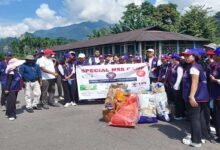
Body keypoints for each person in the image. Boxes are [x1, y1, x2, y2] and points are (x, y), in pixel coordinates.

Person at [182, 49, 211, 147]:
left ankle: (196, 141)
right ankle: (201, 137)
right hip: (201, 96)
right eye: (185, 56)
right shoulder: (196, 66)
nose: (186, 57)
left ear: (195, 56)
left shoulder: (194, 67)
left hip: (196, 97)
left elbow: (194, 83)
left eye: (188, 56)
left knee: (194, 119)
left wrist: (191, 96)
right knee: (200, 118)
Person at [170, 53, 185, 120]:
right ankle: (177, 113)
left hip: (177, 87)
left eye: (172, 59)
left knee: (178, 101)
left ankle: (180, 115)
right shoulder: (174, 66)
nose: (171, 60)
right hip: (173, 85)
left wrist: (177, 85)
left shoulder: (179, 67)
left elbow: (179, 77)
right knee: (176, 101)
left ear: (175, 59)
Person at [209, 47, 220, 143]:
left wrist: (215, 80)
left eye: (215, 55)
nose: (214, 56)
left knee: (218, 116)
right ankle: (218, 134)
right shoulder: (216, 65)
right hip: (215, 95)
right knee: (216, 116)